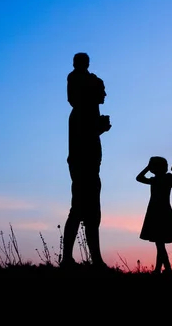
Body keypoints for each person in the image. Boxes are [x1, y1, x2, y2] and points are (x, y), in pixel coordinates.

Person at [61, 52, 111, 269]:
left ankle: (95, 259)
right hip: (83, 164)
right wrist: (99, 128)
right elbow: (85, 136)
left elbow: (90, 135)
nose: (105, 95)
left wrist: (99, 128)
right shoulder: (80, 112)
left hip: (90, 163)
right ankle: (69, 259)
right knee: (80, 208)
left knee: (91, 212)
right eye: (102, 92)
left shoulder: (86, 112)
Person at [136, 156, 172, 274]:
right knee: (159, 243)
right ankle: (161, 268)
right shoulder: (160, 178)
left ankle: (163, 269)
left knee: (159, 243)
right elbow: (138, 178)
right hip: (159, 211)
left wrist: (147, 168)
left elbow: (139, 177)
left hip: (158, 211)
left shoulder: (159, 179)